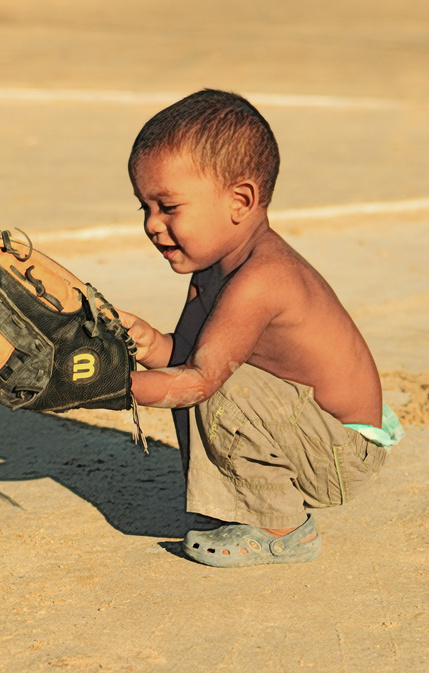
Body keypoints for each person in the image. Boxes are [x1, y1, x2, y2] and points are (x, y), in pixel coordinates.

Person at [119, 89, 403, 567]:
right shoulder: (213, 269)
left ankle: (283, 529)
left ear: (240, 201)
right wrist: (148, 343)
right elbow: (185, 353)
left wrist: (108, 387)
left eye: (168, 207)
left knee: (214, 386)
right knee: (201, 375)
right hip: (313, 432)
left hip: (343, 455)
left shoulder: (261, 279)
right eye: (143, 208)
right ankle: (247, 502)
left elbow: (199, 380)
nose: (151, 224)